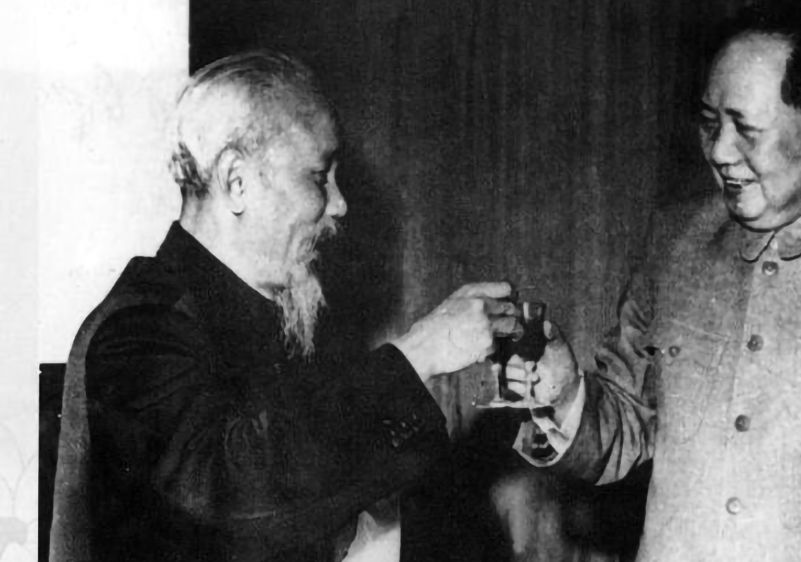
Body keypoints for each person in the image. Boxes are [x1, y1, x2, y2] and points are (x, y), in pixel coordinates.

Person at [504, 1, 801, 560]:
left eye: (747, 129)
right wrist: (568, 394)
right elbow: (624, 431)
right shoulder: (675, 242)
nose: (719, 151)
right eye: (710, 123)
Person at [48, 50, 515, 562]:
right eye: (318, 177)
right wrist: (418, 353)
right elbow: (232, 499)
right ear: (237, 181)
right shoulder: (139, 328)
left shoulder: (273, 327)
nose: (339, 204)